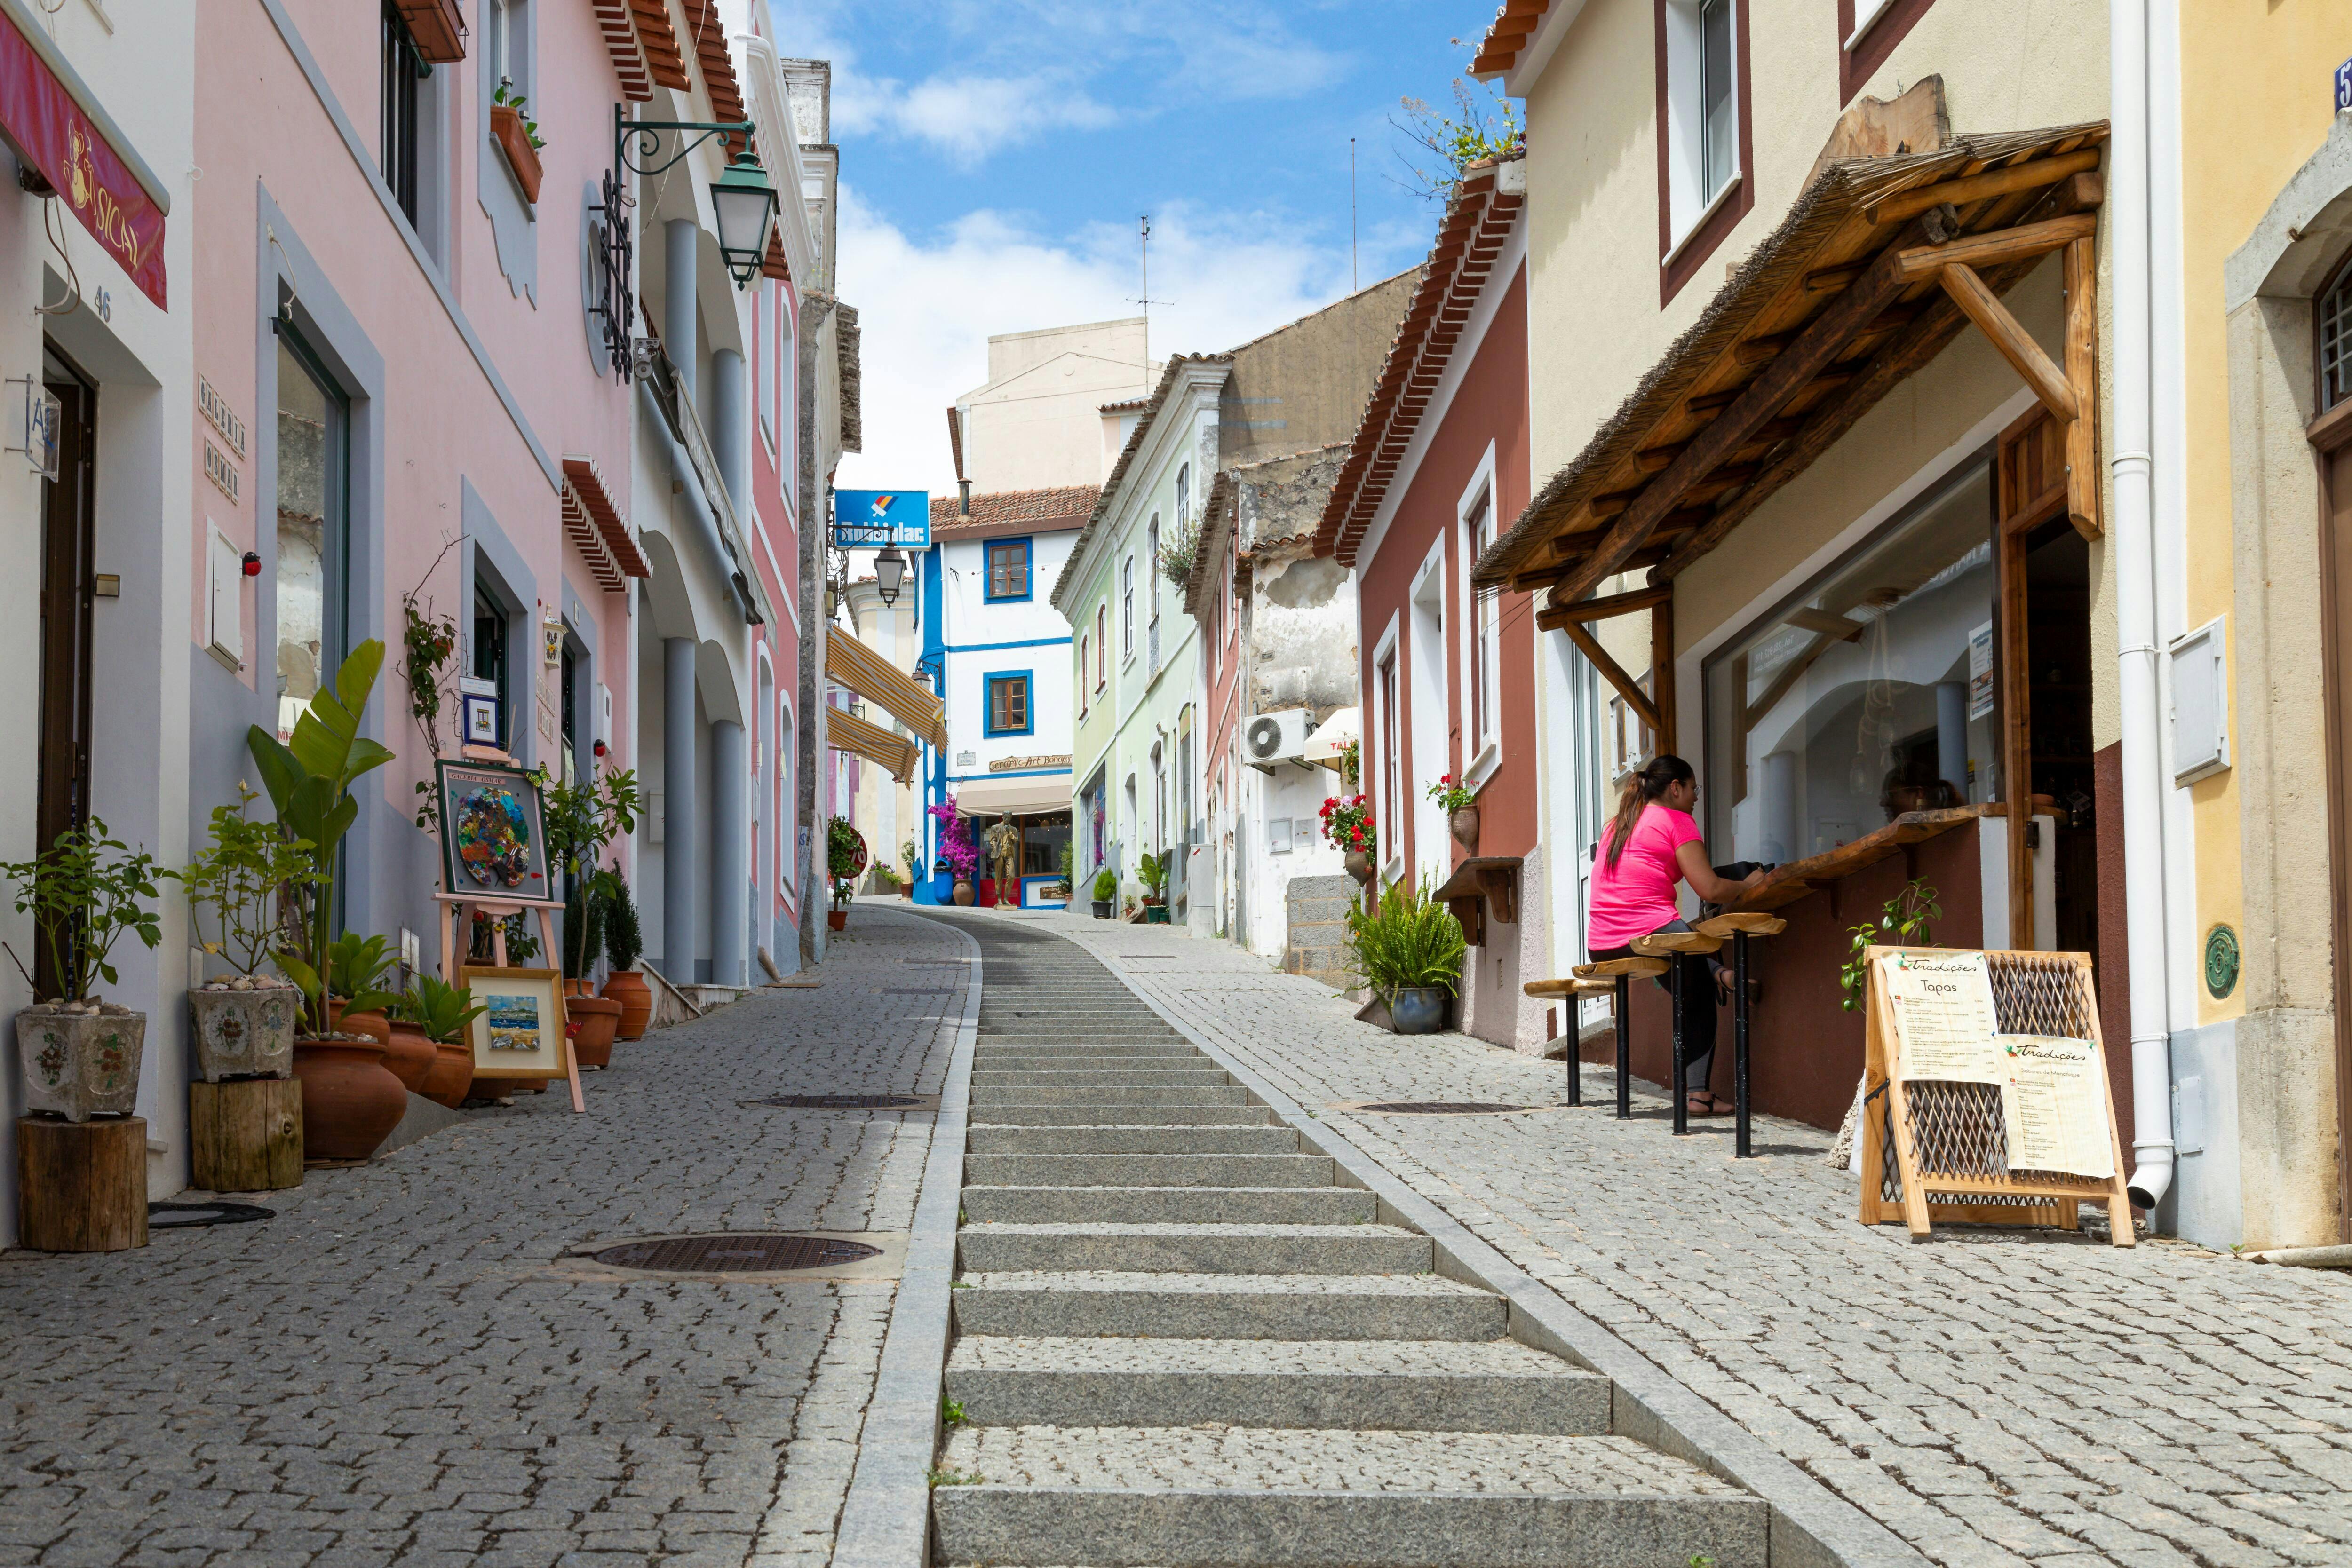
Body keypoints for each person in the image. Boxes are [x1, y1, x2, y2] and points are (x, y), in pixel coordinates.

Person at [1586, 754, 1767, 1118]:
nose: (1697, 797)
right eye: (1693, 789)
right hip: (1648, 930)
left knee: (1687, 963)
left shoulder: (1618, 824)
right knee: (1696, 989)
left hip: (1602, 943)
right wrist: (1748, 884)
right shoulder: (1676, 820)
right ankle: (1698, 1096)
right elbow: (1710, 887)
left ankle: (1717, 973)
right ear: (1675, 788)